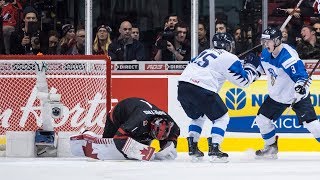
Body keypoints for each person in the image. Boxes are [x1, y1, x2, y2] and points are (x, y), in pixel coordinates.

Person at [177, 33, 260, 162]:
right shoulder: (229, 57)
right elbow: (244, 81)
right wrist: (252, 67)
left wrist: (241, 63)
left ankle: (193, 147)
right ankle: (215, 149)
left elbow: (198, 63)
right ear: (228, 45)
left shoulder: (205, 52)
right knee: (222, 117)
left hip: (182, 87)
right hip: (201, 88)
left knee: (198, 116)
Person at [254, 26, 320, 159]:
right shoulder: (267, 53)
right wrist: (252, 72)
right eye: (264, 41)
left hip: (295, 96)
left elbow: (302, 76)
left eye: (269, 41)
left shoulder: (288, 57)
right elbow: (262, 67)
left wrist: (300, 86)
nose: (265, 44)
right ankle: (271, 147)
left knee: (312, 124)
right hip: (277, 96)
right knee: (262, 120)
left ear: (277, 41)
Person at [70, 97, 180, 161]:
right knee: (107, 145)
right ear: (151, 125)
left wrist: (169, 148)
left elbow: (173, 139)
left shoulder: (171, 124)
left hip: (139, 120)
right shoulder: (138, 120)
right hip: (118, 117)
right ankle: (87, 134)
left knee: (138, 151)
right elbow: (119, 139)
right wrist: (141, 151)